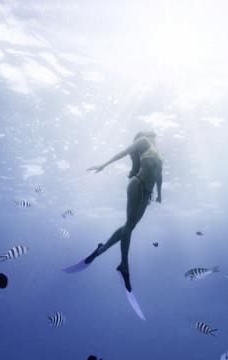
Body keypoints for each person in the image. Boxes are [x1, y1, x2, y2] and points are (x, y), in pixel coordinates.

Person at [63, 131, 163, 318]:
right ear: (145, 136)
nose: (154, 137)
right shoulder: (143, 142)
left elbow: (159, 174)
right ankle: (124, 265)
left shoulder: (158, 152)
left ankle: (101, 251)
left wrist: (160, 194)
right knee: (129, 227)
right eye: (152, 135)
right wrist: (104, 165)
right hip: (137, 185)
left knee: (129, 227)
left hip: (147, 193)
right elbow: (123, 153)